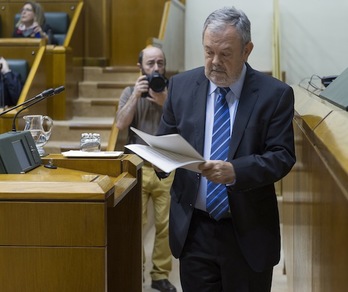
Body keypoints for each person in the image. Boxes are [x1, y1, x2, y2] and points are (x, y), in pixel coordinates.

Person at [156, 6, 296, 292]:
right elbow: (164, 143)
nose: (215, 62)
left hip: (247, 232)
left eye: (225, 54)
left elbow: (282, 156)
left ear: (247, 50)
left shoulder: (275, 94)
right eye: (208, 52)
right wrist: (158, 159)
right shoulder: (181, 87)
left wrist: (236, 172)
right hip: (193, 231)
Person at [116, 46, 177, 292]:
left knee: (167, 225)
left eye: (160, 63)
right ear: (140, 66)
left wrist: (166, 103)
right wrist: (135, 96)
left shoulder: (174, 92)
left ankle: (160, 275)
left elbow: (186, 126)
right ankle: (136, 270)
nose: (156, 69)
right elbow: (121, 124)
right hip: (138, 168)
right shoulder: (130, 91)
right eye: (150, 63)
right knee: (136, 225)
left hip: (166, 167)